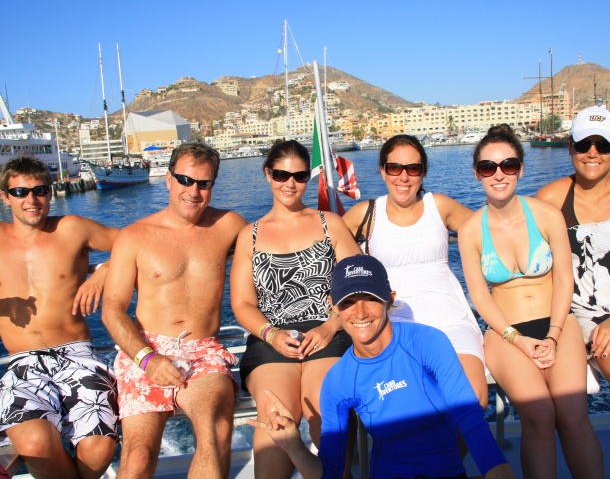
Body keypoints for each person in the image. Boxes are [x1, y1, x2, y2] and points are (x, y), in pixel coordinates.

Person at [249, 254, 514, 479]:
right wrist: (294, 447)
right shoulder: (339, 379)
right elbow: (331, 472)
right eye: (348, 302)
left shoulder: (427, 342)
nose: (360, 313)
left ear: (389, 297)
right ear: (333, 305)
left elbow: (470, 420)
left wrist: (499, 472)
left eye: (371, 298)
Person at [458, 125, 604, 478]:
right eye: (488, 167)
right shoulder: (471, 229)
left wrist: (554, 335)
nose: (498, 174)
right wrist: (517, 339)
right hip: (505, 333)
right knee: (538, 415)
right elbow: (479, 295)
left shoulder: (546, 215)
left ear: (520, 169)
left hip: (557, 323)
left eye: (508, 165)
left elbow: (564, 279)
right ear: (477, 173)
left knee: (572, 415)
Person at [101, 142, 247, 479]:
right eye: (185, 180)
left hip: (203, 351)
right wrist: (147, 359)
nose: (193, 192)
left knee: (215, 431)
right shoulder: (134, 237)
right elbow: (112, 310)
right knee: (138, 455)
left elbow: (273, 246)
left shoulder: (228, 225)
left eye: (204, 183)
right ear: (168, 179)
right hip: (146, 348)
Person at [230, 139, 361, 478]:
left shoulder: (330, 223)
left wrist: (331, 326)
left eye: (299, 176)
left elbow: (357, 283)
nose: (290, 183)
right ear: (267, 174)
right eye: (281, 175)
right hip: (271, 340)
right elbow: (242, 304)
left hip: (328, 333)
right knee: (276, 416)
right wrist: (271, 335)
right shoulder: (249, 236)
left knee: (326, 409)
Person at [342, 134, 487, 408]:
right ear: (383, 171)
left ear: (423, 172)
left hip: (449, 319)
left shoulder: (439, 206)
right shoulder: (367, 213)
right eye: (394, 168)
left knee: (472, 399)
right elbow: (325, 245)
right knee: (412, 405)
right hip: (394, 323)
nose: (404, 177)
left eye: (413, 168)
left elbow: (491, 230)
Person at [0, 156, 119, 479]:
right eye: (20, 192)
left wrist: (105, 271)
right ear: (5, 196)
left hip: (78, 354)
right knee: (35, 444)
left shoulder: (72, 228)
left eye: (40, 190)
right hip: (23, 362)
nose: (31, 199)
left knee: (99, 449)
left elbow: (136, 243)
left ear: (50, 192)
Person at [536, 105, 610, 412]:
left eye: (603, 145)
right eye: (583, 144)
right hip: (591, 313)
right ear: (570, 146)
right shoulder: (550, 199)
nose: (592, 153)